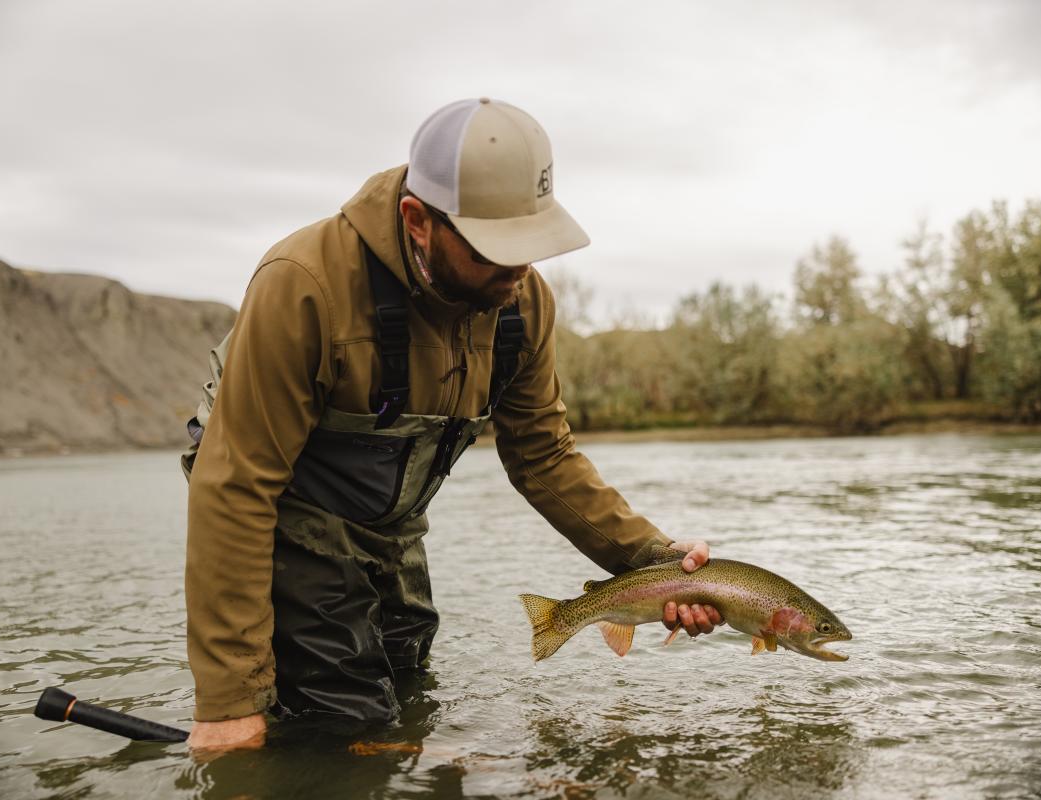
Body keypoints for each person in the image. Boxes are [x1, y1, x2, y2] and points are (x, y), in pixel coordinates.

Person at [182, 98, 724, 751]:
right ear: (418, 221)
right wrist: (229, 704)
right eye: (496, 251)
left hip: (392, 523)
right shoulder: (302, 285)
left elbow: (544, 458)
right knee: (348, 712)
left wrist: (655, 562)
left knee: (409, 688)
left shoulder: (523, 305)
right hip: (287, 508)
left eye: (532, 245)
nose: (519, 271)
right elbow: (235, 488)